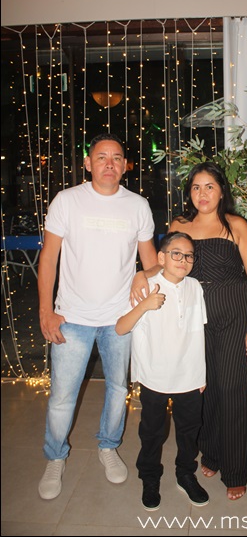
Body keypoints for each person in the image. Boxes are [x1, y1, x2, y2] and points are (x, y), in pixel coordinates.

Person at [133, 162, 247, 501]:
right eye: (195, 187)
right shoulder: (180, 224)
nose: (202, 193)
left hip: (233, 315)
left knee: (232, 390)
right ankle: (211, 453)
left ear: (221, 191)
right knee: (202, 390)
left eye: (209, 186)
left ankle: (235, 471)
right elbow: (165, 262)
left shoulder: (236, 225)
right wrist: (141, 274)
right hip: (193, 318)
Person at [37, 132, 158, 500]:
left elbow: (151, 263)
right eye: (101, 157)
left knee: (118, 389)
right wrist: (46, 311)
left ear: (125, 166)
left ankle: (108, 445)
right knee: (62, 396)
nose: (109, 163)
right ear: (88, 164)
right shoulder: (67, 200)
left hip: (119, 318)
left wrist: (143, 276)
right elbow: (48, 258)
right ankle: (55, 457)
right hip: (71, 317)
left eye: (117, 157)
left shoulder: (138, 206)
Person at [116, 231, 209, 511]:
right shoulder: (145, 287)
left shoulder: (195, 287)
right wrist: (145, 305)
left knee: (189, 431)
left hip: (189, 376)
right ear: (161, 257)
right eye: (176, 253)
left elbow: (197, 332)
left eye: (189, 255)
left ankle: (185, 474)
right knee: (152, 432)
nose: (183, 260)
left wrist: (201, 374)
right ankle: (150, 476)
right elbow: (121, 327)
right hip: (153, 376)